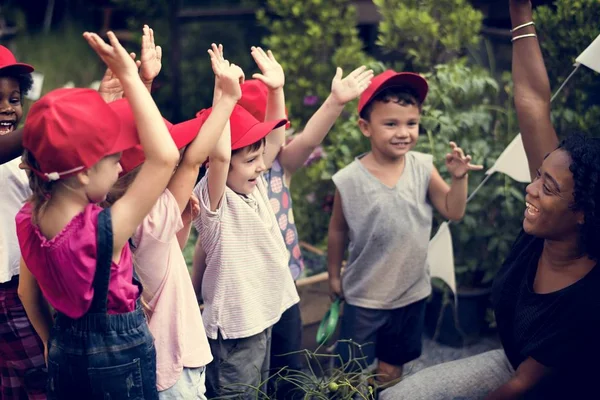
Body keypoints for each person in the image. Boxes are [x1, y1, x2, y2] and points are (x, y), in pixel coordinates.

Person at [380, 1, 600, 399]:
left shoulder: (587, 298)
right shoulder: (547, 226)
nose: (531, 189)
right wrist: (519, 11)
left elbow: (519, 388)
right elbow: (533, 103)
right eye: (537, 176)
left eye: (548, 188)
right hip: (514, 361)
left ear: (583, 214)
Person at [16, 29, 180, 399]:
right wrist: (129, 77)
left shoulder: (29, 217)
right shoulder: (102, 232)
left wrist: (132, 86)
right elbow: (165, 157)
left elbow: (29, 292)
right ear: (86, 171)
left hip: (63, 349)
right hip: (118, 358)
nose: (121, 168)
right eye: (115, 159)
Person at [102, 40, 243, 399]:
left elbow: (123, 143)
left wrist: (140, 85)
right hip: (175, 366)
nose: (177, 158)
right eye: (171, 156)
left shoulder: (107, 217)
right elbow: (197, 160)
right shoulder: (153, 218)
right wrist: (227, 100)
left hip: (144, 365)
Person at [327, 69, 482, 389]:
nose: (403, 132)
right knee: (348, 371)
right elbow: (338, 230)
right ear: (365, 127)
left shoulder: (422, 167)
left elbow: (453, 210)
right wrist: (332, 274)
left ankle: (381, 394)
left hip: (410, 293)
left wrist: (459, 178)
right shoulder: (349, 179)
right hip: (364, 297)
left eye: (411, 123)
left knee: (391, 368)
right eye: (391, 124)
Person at [191, 45, 299, 398]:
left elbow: (274, 142)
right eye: (252, 159)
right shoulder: (216, 202)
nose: (263, 165)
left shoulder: (253, 186)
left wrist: (276, 89)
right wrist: (223, 94)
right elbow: (220, 155)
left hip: (262, 317)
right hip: (237, 330)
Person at [0, 45, 47, 400]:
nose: (6, 108)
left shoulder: (23, 155)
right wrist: (50, 122)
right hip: (6, 293)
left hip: (28, 286)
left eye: (14, 98)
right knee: (36, 375)